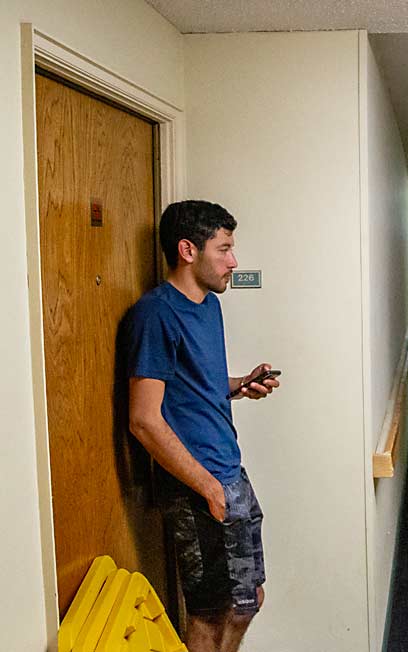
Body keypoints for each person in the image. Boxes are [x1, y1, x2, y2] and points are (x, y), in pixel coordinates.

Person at [127, 200, 280, 652]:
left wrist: (238, 385)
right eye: (225, 248)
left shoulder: (208, 306)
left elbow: (193, 384)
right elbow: (144, 419)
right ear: (188, 250)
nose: (233, 261)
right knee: (212, 612)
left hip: (229, 469)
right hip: (196, 483)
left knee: (247, 600)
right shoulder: (155, 314)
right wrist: (207, 487)